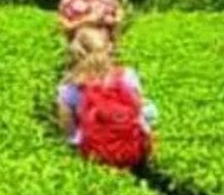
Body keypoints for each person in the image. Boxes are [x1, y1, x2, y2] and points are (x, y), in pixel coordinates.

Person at [57, 27, 158, 169]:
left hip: (94, 156)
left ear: (75, 53)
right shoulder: (127, 75)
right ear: (109, 48)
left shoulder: (69, 88)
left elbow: (69, 131)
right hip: (135, 151)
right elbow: (139, 109)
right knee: (149, 109)